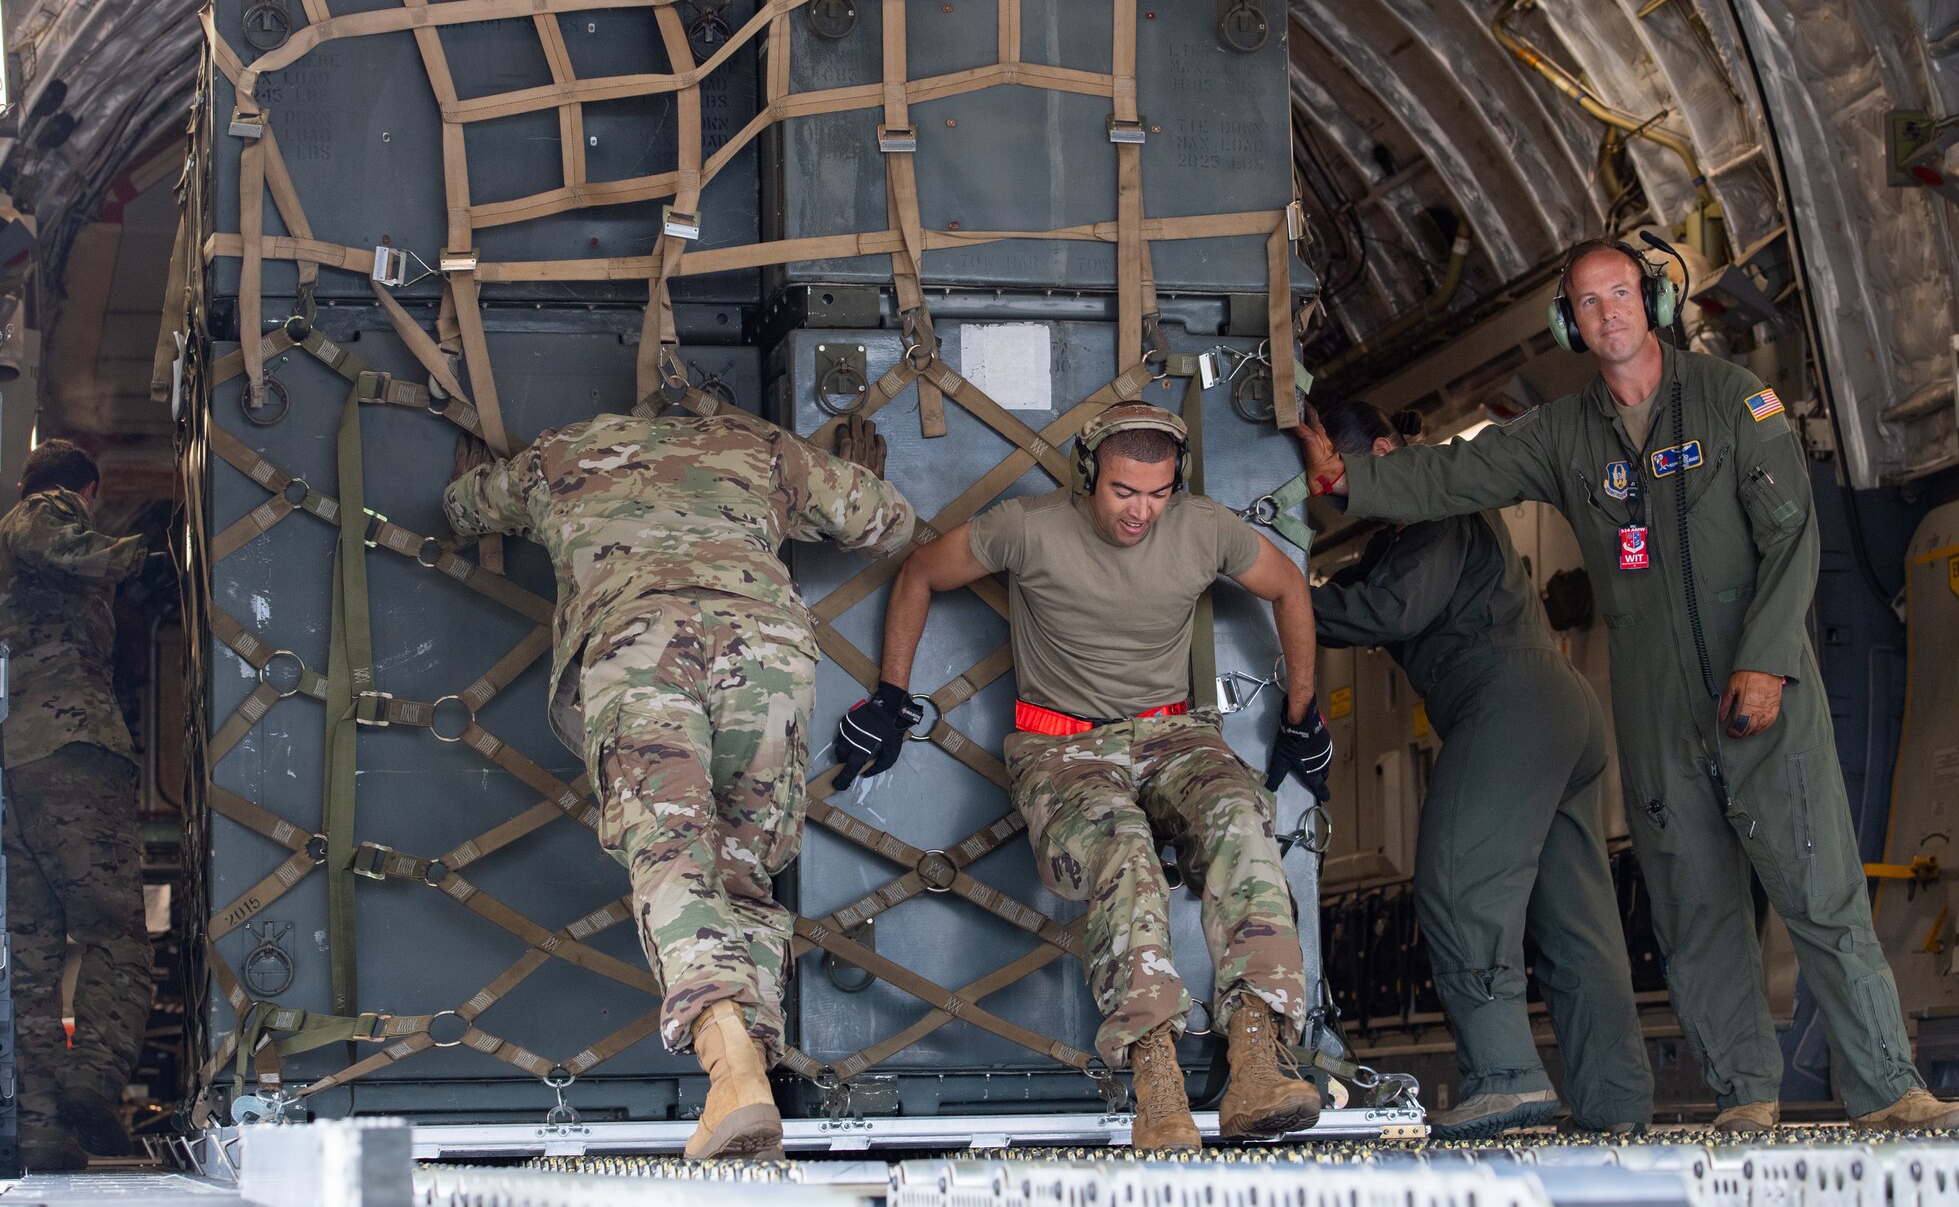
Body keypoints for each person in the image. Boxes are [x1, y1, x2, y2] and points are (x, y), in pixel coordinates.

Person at [1300, 238, 1959, 1132]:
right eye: (1586, 301)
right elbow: (1459, 471)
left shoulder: (1735, 400)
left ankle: (1890, 1088)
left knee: (1819, 892)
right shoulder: (1562, 434)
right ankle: (1744, 1096)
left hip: (1762, 692)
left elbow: (1793, 537)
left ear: (1651, 301)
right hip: (1656, 712)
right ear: (1567, 324)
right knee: (1695, 913)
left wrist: (1766, 659)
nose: (1608, 311)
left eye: (1622, 292)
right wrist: (1351, 482)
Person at [840, 402, 1333, 1149]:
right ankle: (1155, 1076)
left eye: (1158, 493)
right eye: (1123, 491)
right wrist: (889, 694)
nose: (1141, 511)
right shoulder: (1028, 526)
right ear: (1087, 478)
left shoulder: (1202, 528)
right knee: (1123, 847)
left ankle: (1259, 1057)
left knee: (1240, 815)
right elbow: (920, 572)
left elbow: (1290, 586)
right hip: (1062, 747)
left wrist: (1303, 715)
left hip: (1173, 734)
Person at [443, 411, 913, 1160]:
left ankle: (730, 1069)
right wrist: (856, 478)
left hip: (642, 646)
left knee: (671, 851)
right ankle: (749, 1087)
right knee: (743, 878)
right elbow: (887, 521)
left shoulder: (557, 449)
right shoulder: (762, 446)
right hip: (765, 652)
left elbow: (464, 506)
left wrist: (473, 477)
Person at [1303, 400, 1652, 1138]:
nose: (1326, 488)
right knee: (1576, 920)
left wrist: (1279, 599)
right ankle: (1614, 1100)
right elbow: (1369, 586)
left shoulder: (1435, 510)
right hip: (1557, 708)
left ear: (1388, 448)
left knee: (1459, 878)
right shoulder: (1403, 534)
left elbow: (1388, 609)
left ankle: (1506, 1074)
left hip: (1509, 701)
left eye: (1336, 468)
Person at [0, 440, 156, 1170]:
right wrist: (143, 553)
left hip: (15, 761)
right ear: (86, 489)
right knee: (116, 931)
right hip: (69, 748)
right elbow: (44, 531)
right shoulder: (46, 510)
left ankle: (38, 1132)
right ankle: (92, 1081)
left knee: (30, 960)